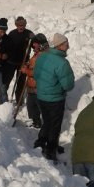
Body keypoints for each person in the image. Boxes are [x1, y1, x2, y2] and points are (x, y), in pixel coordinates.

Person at [33, 33, 74, 162]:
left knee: (47, 121)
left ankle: (40, 143)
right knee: (54, 126)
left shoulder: (42, 57)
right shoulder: (62, 63)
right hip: (55, 99)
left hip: (41, 96)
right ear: (60, 45)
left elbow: (35, 75)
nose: (68, 45)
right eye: (66, 43)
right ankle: (50, 152)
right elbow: (68, 85)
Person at [2, 16, 34, 102]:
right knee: (6, 81)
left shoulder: (29, 34)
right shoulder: (12, 34)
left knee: (21, 83)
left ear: (25, 25)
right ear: (16, 25)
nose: (21, 27)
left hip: (23, 63)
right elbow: (5, 45)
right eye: (19, 25)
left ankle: (19, 100)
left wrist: (33, 38)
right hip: (11, 62)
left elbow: (35, 45)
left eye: (22, 25)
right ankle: (3, 98)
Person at [20, 33, 49, 128]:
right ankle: (36, 122)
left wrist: (26, 71)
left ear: (40, 44)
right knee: (32, 107)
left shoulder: (44, 56)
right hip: (32, 87)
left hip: (39, 87)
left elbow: (39, 72)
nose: (33, 45)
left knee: (41, 108)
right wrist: (28, 64)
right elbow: (33, 65)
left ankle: (47, 125)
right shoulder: (37, 54)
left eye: (35, 43)